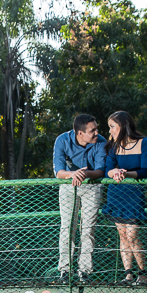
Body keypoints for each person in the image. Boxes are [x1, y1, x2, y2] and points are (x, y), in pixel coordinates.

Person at [53, 113, 108, 282]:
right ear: (80, 133)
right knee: (68, 228)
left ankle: (84, 271)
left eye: (96, 128)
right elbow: (58, 172)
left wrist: (84, 174)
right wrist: (73, 174)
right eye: (93, 130)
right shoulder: (62, 141)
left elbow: (100, 171)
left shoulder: (101, 142)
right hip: (69, 187)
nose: (97, 132)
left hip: (92, 186)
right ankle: (65, 271)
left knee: (88, 229)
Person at [102, 110, 147, 285]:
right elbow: (107, 169)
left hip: (134, 192)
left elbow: (145, 170)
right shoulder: (114, 146)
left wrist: (126, 173)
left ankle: (143, 274)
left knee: (132, 236)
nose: (110, 131)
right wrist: (114, 171)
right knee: (122, 236)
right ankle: (128, 275)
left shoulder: (144, 143)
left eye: (112, 127)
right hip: (116, 193)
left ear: (122, 125)